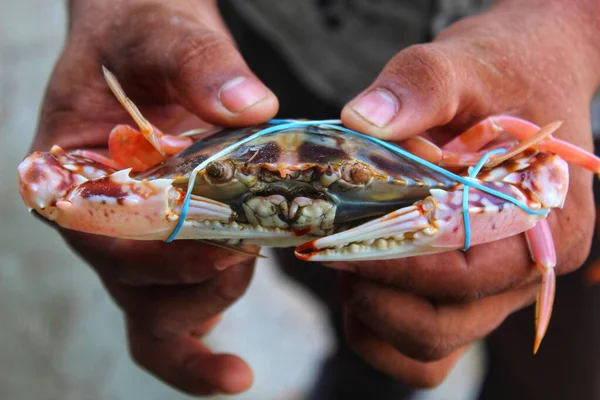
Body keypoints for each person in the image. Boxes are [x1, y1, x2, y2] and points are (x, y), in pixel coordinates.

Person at [33, 0, 600, 398]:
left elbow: (543, 175)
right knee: (330, 277)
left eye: (341, 180)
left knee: (565, 370)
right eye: (251, 178)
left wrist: (578, 26)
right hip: (279, 47)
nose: (294, 193)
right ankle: (361, 378)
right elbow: (48, 178)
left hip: (557, 91)